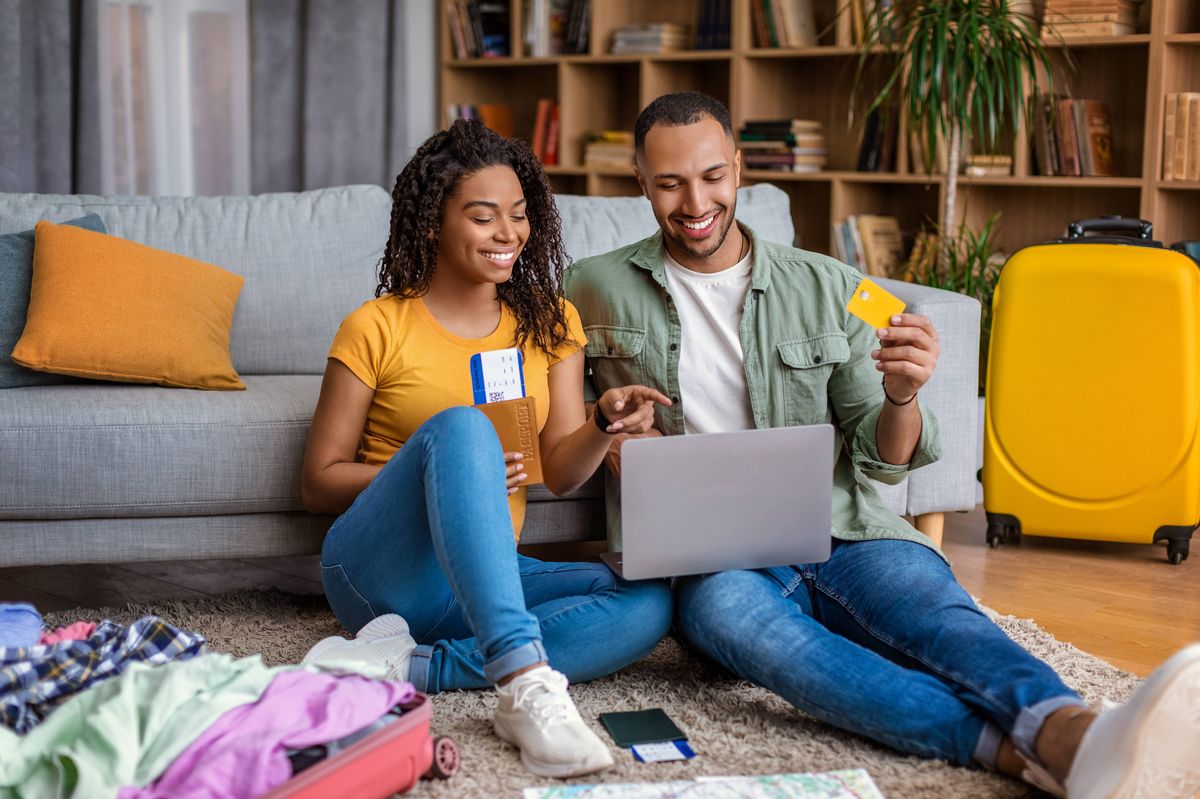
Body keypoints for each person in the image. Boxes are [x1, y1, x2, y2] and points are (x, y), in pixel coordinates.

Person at [564, 91, 1200, 799]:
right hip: (709, 560)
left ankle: (1069, 730)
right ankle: (1015, 751)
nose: (695, 201)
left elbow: (884, 459)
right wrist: (608, 430)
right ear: (640, 184)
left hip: (845, 527)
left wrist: (903, 393)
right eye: (669, 183)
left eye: (712, 175)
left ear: (739, 168)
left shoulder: (836, 286)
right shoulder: (590, 287)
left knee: (938, 617)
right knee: (780, 650)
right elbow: (550, 403)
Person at [299, 118, 673, 778]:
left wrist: (600, 424)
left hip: (484, 573)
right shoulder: (376, 326)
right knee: (464, 427)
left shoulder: (551, 322)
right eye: (483, 217)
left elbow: (556, 472)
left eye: (520, 216)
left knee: (646, 601)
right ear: (433, 222)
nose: (508, 235)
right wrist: (435, 466)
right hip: (380, 577)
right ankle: (522, 680)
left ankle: (415, 665)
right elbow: (318, 480)